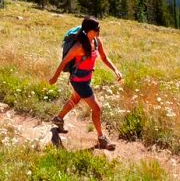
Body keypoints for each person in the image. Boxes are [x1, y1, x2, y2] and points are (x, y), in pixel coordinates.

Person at [48, 17, 123, 150]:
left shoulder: (96, 41)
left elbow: (104, 58)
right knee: (97, 108)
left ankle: (58, 119)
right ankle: (101, 139)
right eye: (97, 29)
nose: (99, 31)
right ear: (89, 30)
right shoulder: (79, 46)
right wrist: (54, 77)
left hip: (86, 78)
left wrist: (115, 69)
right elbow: (64, 62)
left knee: (75, 99)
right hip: (78, 81)